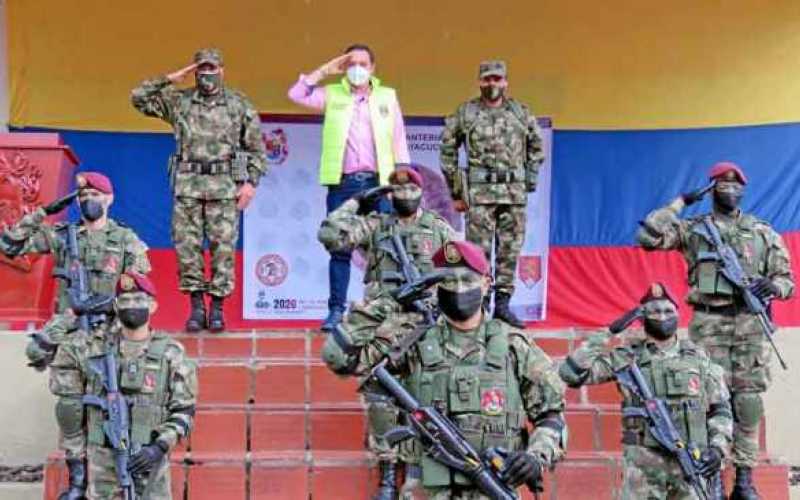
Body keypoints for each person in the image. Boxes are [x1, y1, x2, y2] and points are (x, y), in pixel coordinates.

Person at [321, 240, 566, 499]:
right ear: (435, 285)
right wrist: (388, 302)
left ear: (486, 283)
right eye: (449, 280)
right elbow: (337, 358)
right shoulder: (411, 341)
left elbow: (552, 416)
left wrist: (535, 457)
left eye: (468, 279)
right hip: (425, 490)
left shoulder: (515, 346)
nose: (459, 289)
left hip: (492, 488)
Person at [637, 162, 794, 499]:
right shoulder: (694, 230)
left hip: (750, 324)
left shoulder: (762, 233)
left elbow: (788, 282)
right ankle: (710, 479)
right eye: (722, 183)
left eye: (736, 184)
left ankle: (744, 479)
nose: (730, 188)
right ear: (711, 189)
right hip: (708, 324)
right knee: (705, 401)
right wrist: (680, 202)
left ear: (744, 190)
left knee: (748, 401)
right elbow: (647, 236)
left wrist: (774, 287)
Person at [0, 172, 151, 500]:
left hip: (112, 335)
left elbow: (140, 291)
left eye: (95, 195)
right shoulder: (63, 235)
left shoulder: (126, 241)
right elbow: (8, 245)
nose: (88, 201)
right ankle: (78, 480)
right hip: (70, 336)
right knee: (70, 408)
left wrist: (102, 304)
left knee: (114, 407)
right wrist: (45, 210)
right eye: (82, 197)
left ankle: (117, 478)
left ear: (109, 199)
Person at [318, 166, 455, 499]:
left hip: (424, 322)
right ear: (389, 194)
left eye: (411, 189)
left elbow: (457, 273)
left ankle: (419, 471)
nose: (405, 195)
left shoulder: (438, 229)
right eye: (397, 190)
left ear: (421, 193)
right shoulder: (377, 225)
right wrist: (357, 202)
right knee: (381, 392)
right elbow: (330, 236)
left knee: (424, 395)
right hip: (381, 319)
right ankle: (388, 469)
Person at [131, 48, 268, 332]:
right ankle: (196, 309)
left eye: (212, 68)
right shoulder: (180, 102)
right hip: (188, 186)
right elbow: (139, 98)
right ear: (194, 71)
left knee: (223, 250)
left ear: (222, 70)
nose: (207, 75)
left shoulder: (238, 104)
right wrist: (171, 78)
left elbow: (255, 148)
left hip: (224, 187)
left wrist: (250, 184)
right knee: (188, 249)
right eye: (201, 69)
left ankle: (217, 310)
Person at [559, 283, 733, 499]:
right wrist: (610, 331)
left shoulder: (699, 358)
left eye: (668, 311)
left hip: (691, 462)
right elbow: (570, 373)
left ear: (678, 314)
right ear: (642, 318)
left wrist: (717, 449)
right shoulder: (626, 357)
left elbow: (721, 408)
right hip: (643, 468)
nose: (662, 317)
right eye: (655, 311)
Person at [288, 43, 411, 331]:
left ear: (373, 68)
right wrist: (325, 70)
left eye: (363, 63)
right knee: (339, 248)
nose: (357, 68)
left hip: (379, 183)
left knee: (384, 249)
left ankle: (382, 309)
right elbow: (295, 94)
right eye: (351, 63)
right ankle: (335, 312)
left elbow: (399, 138)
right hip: (343, 183)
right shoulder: (333, 94)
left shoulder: (387, 96)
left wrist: (400, 177)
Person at [50, 271, 197, 499]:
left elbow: (185, 411)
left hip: (149, 460)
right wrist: (73, 316)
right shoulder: (95, 346)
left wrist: (158, 447)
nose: (132, 306)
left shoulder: (171, 352)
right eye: (125, 301)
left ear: (153, 306)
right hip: (102, 461)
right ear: (116, 306)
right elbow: (59, 355)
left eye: (139, 300)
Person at [439, 60, 545, 329]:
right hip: (480, 196)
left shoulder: (520, 113)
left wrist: (530, 179)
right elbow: (448, 151)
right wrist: (456, 192)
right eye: (487, 80)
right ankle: (481, 305)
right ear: (479, 82)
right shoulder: (467, 113)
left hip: (513, 195)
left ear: (506, 82)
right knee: (478, 254)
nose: (492, 84)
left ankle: (503, 305)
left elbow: (536, 147)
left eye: (497, 79)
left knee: (509, 252)